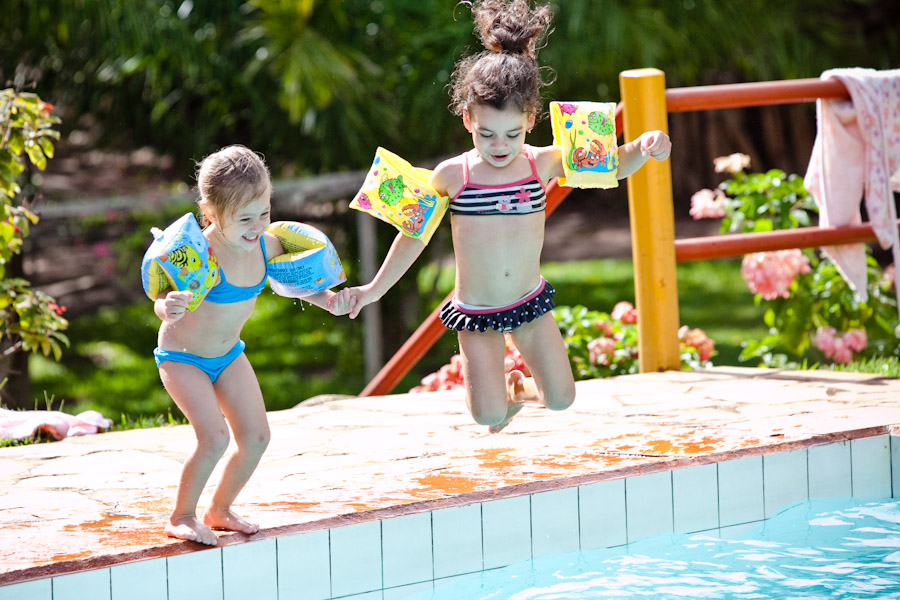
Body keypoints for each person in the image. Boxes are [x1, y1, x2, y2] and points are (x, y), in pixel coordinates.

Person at [345, 0, 671, 433]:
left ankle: (520, 390)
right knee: (487, 416)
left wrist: (644, 148)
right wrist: (372, 289)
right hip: (476, 311)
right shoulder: (453, 175)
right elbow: (413, 236)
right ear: (467, 120)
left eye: (512, 134)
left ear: (531, 120)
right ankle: (502, 400)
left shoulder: (541, 164)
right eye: (486, 134)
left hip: (529, 303)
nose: (499, 145)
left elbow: (611, 163)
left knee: (561, 399)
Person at [154, 145, 352, 545]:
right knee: (214, 437)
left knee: (257, 437)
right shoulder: (198, 253)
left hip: (227, 356)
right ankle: (182, 515)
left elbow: (288, 282)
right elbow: (162, 299)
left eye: (264, 212)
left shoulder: (265, 245)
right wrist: (168, 306)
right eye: (245, 218)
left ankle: (220, 509)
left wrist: (327, 299)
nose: (257, 225)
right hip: (183, 358)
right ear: (210, 212)